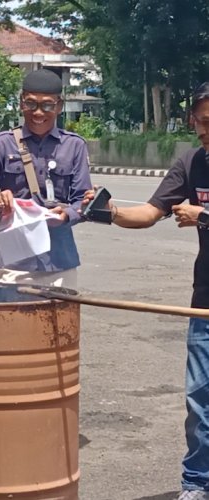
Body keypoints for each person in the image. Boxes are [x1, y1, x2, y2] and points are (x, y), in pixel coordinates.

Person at [82, 82, 209, 500]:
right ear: (192, 120)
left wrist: (205, 215)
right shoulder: (191, 162)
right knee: (200, 403)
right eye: (204, 123)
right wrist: (109, 210)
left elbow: (200, 216)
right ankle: (197, 484)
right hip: (205, 305)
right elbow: (150, 213)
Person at [0, 69, 92, 288]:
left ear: (59, 106)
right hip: (15, 264)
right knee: (13, 321)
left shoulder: (74, 146)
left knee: (62, 322)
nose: (38, 112)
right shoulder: (3, 144)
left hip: (60, 262)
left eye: (47, 105)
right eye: (31, 104)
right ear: (21, 103)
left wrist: (67, 215)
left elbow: (83, 200)